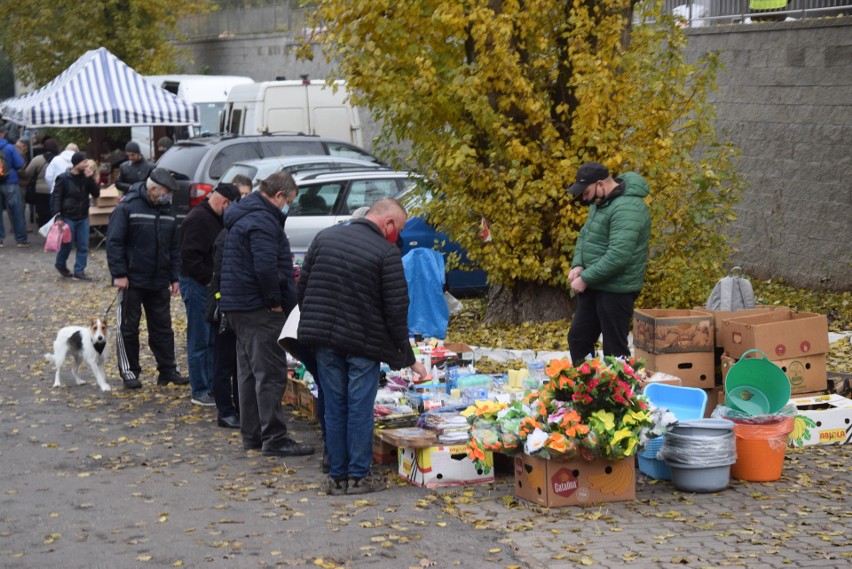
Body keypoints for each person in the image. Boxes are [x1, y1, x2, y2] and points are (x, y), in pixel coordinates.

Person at [297, 198, 428, 495]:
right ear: (389, 224)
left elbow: (302, 289)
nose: (398, 236)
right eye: (400, 229)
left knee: (334, 405)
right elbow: (396, 310)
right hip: (363, 345)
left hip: (325, 341)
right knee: (358, 408)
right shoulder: (385, 252)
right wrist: (408, 358)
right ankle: (358, 476)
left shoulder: (324, 238)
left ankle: (336, 476)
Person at [219, 172, 313, 457]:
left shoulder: (245, 214)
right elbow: (264, 267)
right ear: (278, 196)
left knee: (248, 372)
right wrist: (274, 301)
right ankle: (274, 438)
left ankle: (254, 435)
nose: (288, 208)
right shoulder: (262, 220)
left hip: (239, 304)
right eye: (289, 201)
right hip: (258, 306)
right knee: (270, 373)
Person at [106, 168, 187, 390]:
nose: (169, 195)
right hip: (132, 280)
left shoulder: (168, 211)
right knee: (128, 328)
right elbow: (114, 242)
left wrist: (174, 277)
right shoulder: (127, 208)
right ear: (153, 189)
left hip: (159, 279)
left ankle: (168, 370)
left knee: (163, 328)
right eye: (166, 191)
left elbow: (174, 247)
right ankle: (129, 371)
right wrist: (119, 274)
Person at [566, 161, 651, 365]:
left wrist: (585, 278)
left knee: (614, 350)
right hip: (595, 284)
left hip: (617, 289)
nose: (584, 199)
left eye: (586, 193)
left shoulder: (628, 208)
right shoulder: (601, 203)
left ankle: (621, 395)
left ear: (601, 184)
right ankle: (587, 389)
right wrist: (578, 264)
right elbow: (585, 235)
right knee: (578, 339)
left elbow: (619, 255)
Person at [179, 182, 242, 407]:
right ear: (224, 202)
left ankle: (212, 386)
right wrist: (209, 280)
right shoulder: (199, 218)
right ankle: (200, 389)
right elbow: (189, 257)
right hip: (197, 285)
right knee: (199, 339)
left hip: (206, 285)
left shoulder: (213, 217)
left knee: (212, 339)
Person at [52, 153, 100, 280]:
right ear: (76, 163)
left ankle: (79, 271)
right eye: (84, 162)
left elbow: (96, 193)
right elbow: (57, 197)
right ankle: (60, 264)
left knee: (83, 245)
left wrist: (91, 179)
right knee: (67, 244)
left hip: (83, 216)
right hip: (68, 216)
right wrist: (57, 215)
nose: (86, 165)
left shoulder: (86, 178)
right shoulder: (63, 178)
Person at [0, 123, 29, 247]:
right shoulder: (10, 148)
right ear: (2, 134)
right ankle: (21, 240)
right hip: (10, 182)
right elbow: (19, 164)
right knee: (16, 211)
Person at [25, 138, 59, 228]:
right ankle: (55, 232)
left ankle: (45, 232)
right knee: (55, 212)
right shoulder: (59, 159)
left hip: (40, 190)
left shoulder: (38, 159)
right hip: (56, 189)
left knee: (43, 214)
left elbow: (28, 172)